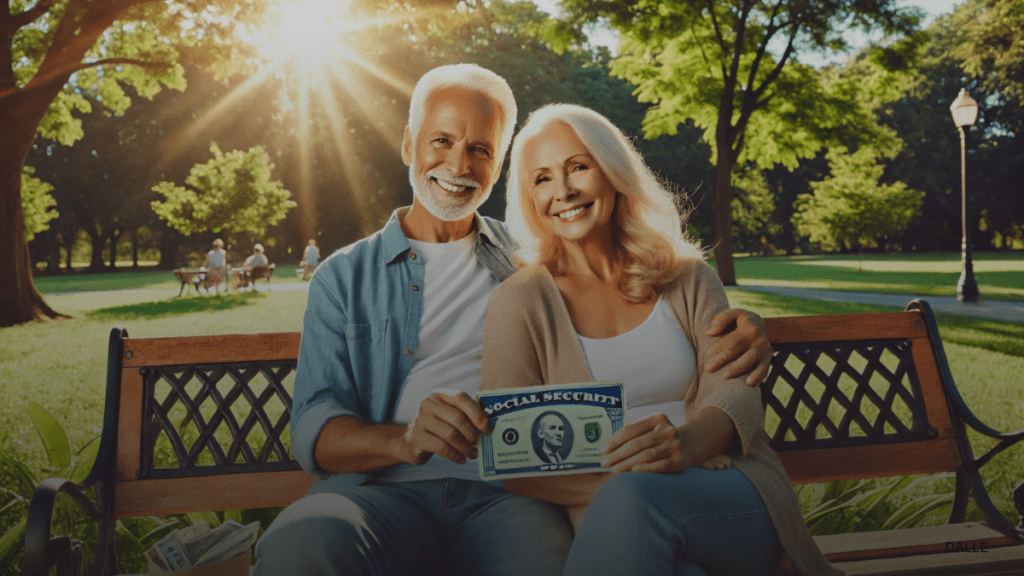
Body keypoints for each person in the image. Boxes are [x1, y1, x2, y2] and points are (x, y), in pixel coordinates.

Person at [253, 65, 773, 576]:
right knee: (303, 543)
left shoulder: (531, 260)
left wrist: (744, 322)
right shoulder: (342, 278)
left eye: (480, 150)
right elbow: (315, 426)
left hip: (508, 498)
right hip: (382, 494)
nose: (459, 164)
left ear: (499, 168)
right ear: (410, 145)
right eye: (442, 141)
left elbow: (633, 285)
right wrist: (402, 440)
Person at [480, 104, 841, 576]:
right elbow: (514, 460)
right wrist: (635, 482)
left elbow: (737, 393)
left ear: (611, 172)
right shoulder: (519, 302)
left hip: (729, 492)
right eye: (543, 178)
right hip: (617, 520)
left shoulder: (687, 277)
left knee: (636, 502)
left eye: (578, 167)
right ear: (529, 199)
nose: (564, 191)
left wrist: (688, 448)